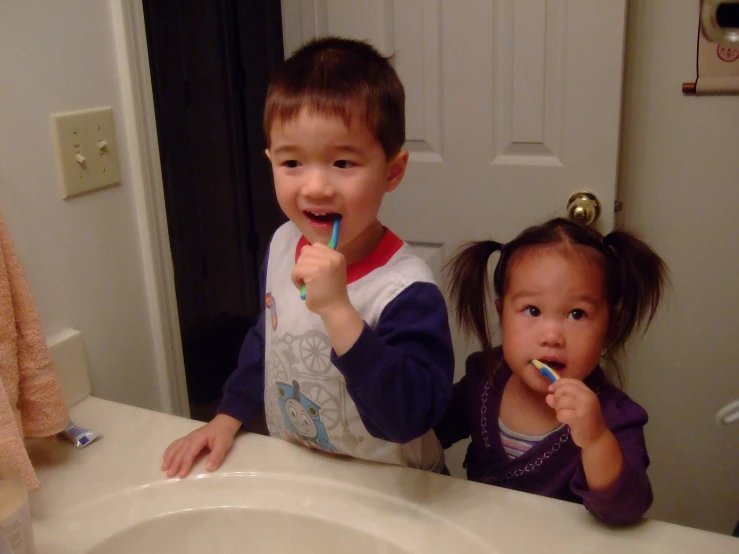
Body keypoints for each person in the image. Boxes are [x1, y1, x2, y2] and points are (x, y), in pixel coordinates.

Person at [162, 36, 454, 478]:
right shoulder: (283, 244)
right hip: (302, 470)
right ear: (270, 161)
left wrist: (339, 310)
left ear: (392, 171)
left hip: (395, 486)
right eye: (292, 163)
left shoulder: (406, 290)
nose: (315, 186)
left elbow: (408, 418)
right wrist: (227, 414)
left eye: (342, 163)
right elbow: (268, 338)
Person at [434, 217, 668, 525]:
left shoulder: (613, 416)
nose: (551, 335)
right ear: (502, 313)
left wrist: (596, 439)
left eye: (576, 314)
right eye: (532, 310)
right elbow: (429, 430)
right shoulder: (484, 378)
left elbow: (624, 510)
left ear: (611, 325)